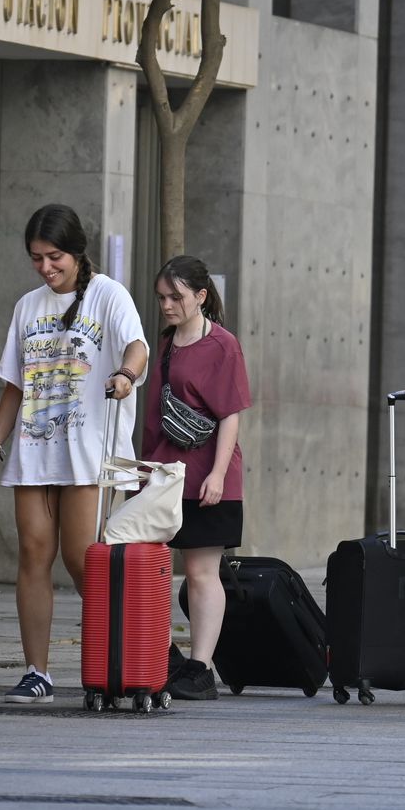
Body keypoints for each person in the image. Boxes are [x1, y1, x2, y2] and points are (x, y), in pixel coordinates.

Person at [0, 204, 148, 704]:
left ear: (77, 252)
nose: (46, 268)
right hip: (33, 449)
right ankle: (38, 672)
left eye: (55, 258)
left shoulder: (108, 294)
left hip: (88, 452)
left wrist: (126, 375)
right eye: (36, 259)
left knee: (82, 559)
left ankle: (123, 657)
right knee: (33, 553)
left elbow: (136, 346)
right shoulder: (28, 306)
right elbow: (14, 384)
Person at [142, 256, 252, 700]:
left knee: (202, 571)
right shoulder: (166, 343)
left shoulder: (222, 345)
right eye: (162, 297)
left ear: (201, 296)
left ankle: (201, 667)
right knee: (145, 563)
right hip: (164, 473)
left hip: (206, 475)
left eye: (176, 297)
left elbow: (230, 416)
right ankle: (162, 655)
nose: (166, 305)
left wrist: (219, 474)